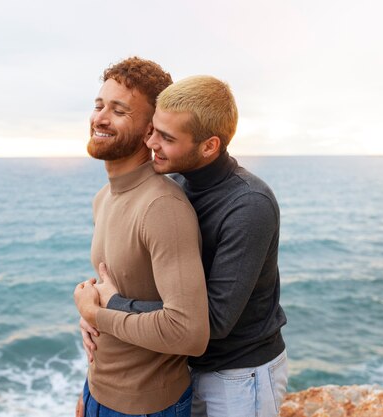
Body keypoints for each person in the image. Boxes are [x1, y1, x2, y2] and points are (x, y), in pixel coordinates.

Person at [82, 75, 288, 416]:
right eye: (153, 130)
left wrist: (109, 308)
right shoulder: (176, 179)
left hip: (238, 374)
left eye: (166, 137)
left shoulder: (249, 205)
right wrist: (92, 306)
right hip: (183, 366)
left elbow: (215, 321)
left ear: (209, 146)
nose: (152, 143)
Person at [73, 58, 209, 417]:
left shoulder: (162, 206)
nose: (100, 118)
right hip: (97, 393)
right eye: (99, 105)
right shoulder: (104, 198)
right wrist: (89, 391)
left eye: (118, 111)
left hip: (146, 407)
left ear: (150, 130)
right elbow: (120, 282)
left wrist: (94, 313)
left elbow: (189, 333)